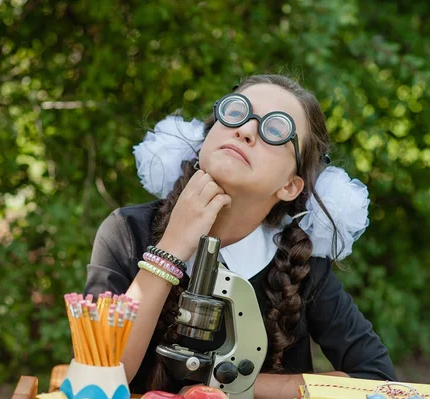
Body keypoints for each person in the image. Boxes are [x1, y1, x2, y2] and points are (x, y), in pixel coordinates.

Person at [83, 75, 396, 398]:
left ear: (290, 185)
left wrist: (234, 384)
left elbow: (379, 382)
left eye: (275, 131)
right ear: (206, 139)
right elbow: (100, 376)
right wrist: (171, 248)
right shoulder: (126, 231)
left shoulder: (300, 264)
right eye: (236, 112)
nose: (245, 130)